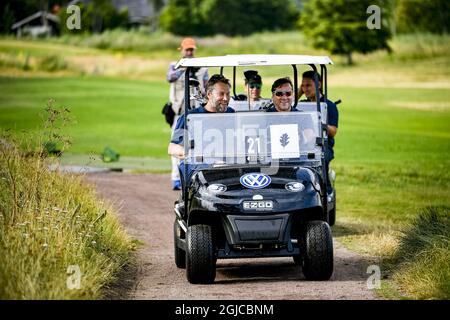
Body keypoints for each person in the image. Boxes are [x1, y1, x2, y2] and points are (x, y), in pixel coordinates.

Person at [168, 74, 235, 186]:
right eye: (221, 94)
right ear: (209, 94)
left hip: (229, 168)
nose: (226, 98)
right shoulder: (191, 117)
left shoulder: (231, 114)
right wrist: (196, 154)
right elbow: (173, 148)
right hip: (202, 170)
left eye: (228, 94)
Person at [166, 37, 208, 190]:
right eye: (187, 49)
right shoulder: (174, 65)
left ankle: (193, 177)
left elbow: (207, 87)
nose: (189, 52)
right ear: (181, 50)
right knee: (177, 145)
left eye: (191, 50)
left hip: (197, 113)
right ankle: (176, 179)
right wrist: (185, 68)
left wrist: (195, 72)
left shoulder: (202, 68)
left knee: (197, 145)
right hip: (179, 112)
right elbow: (170, 78)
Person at [298, 70, 339, 193]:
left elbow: (333, 131)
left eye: (309, 85)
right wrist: (301, 91)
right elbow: (289, 102)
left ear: (319, 85)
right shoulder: (301, 105)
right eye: (303, 86)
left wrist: (319, 123)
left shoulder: (329, 105)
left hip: (323, 145)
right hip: (304, 145)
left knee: (321, 159)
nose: (305, 89)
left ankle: (326, 192)